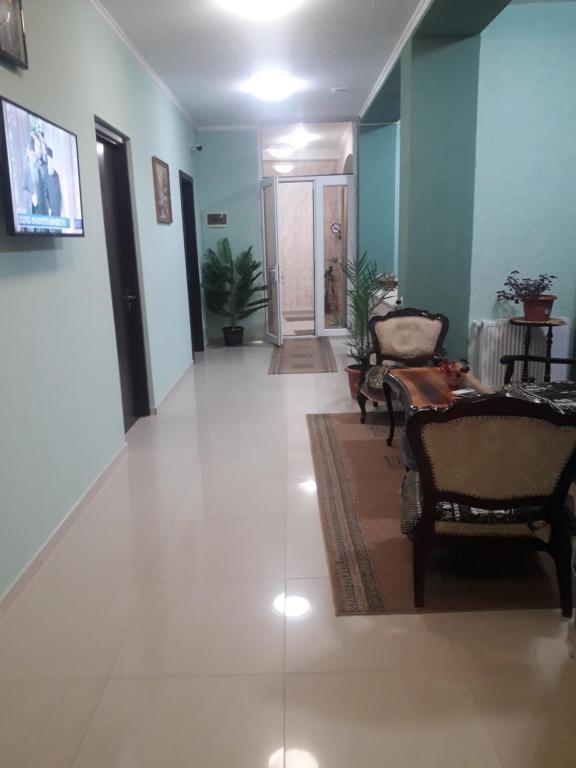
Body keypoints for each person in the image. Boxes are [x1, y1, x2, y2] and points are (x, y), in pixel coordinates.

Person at [46, 147, 62, 218]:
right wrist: (48, 208)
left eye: (51, 160)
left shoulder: (56, 175)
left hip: (57, 210)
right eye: (48, 160)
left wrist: (61, 205)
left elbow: (59, 192)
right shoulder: (44, 175)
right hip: (49, 211)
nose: (50, 163)